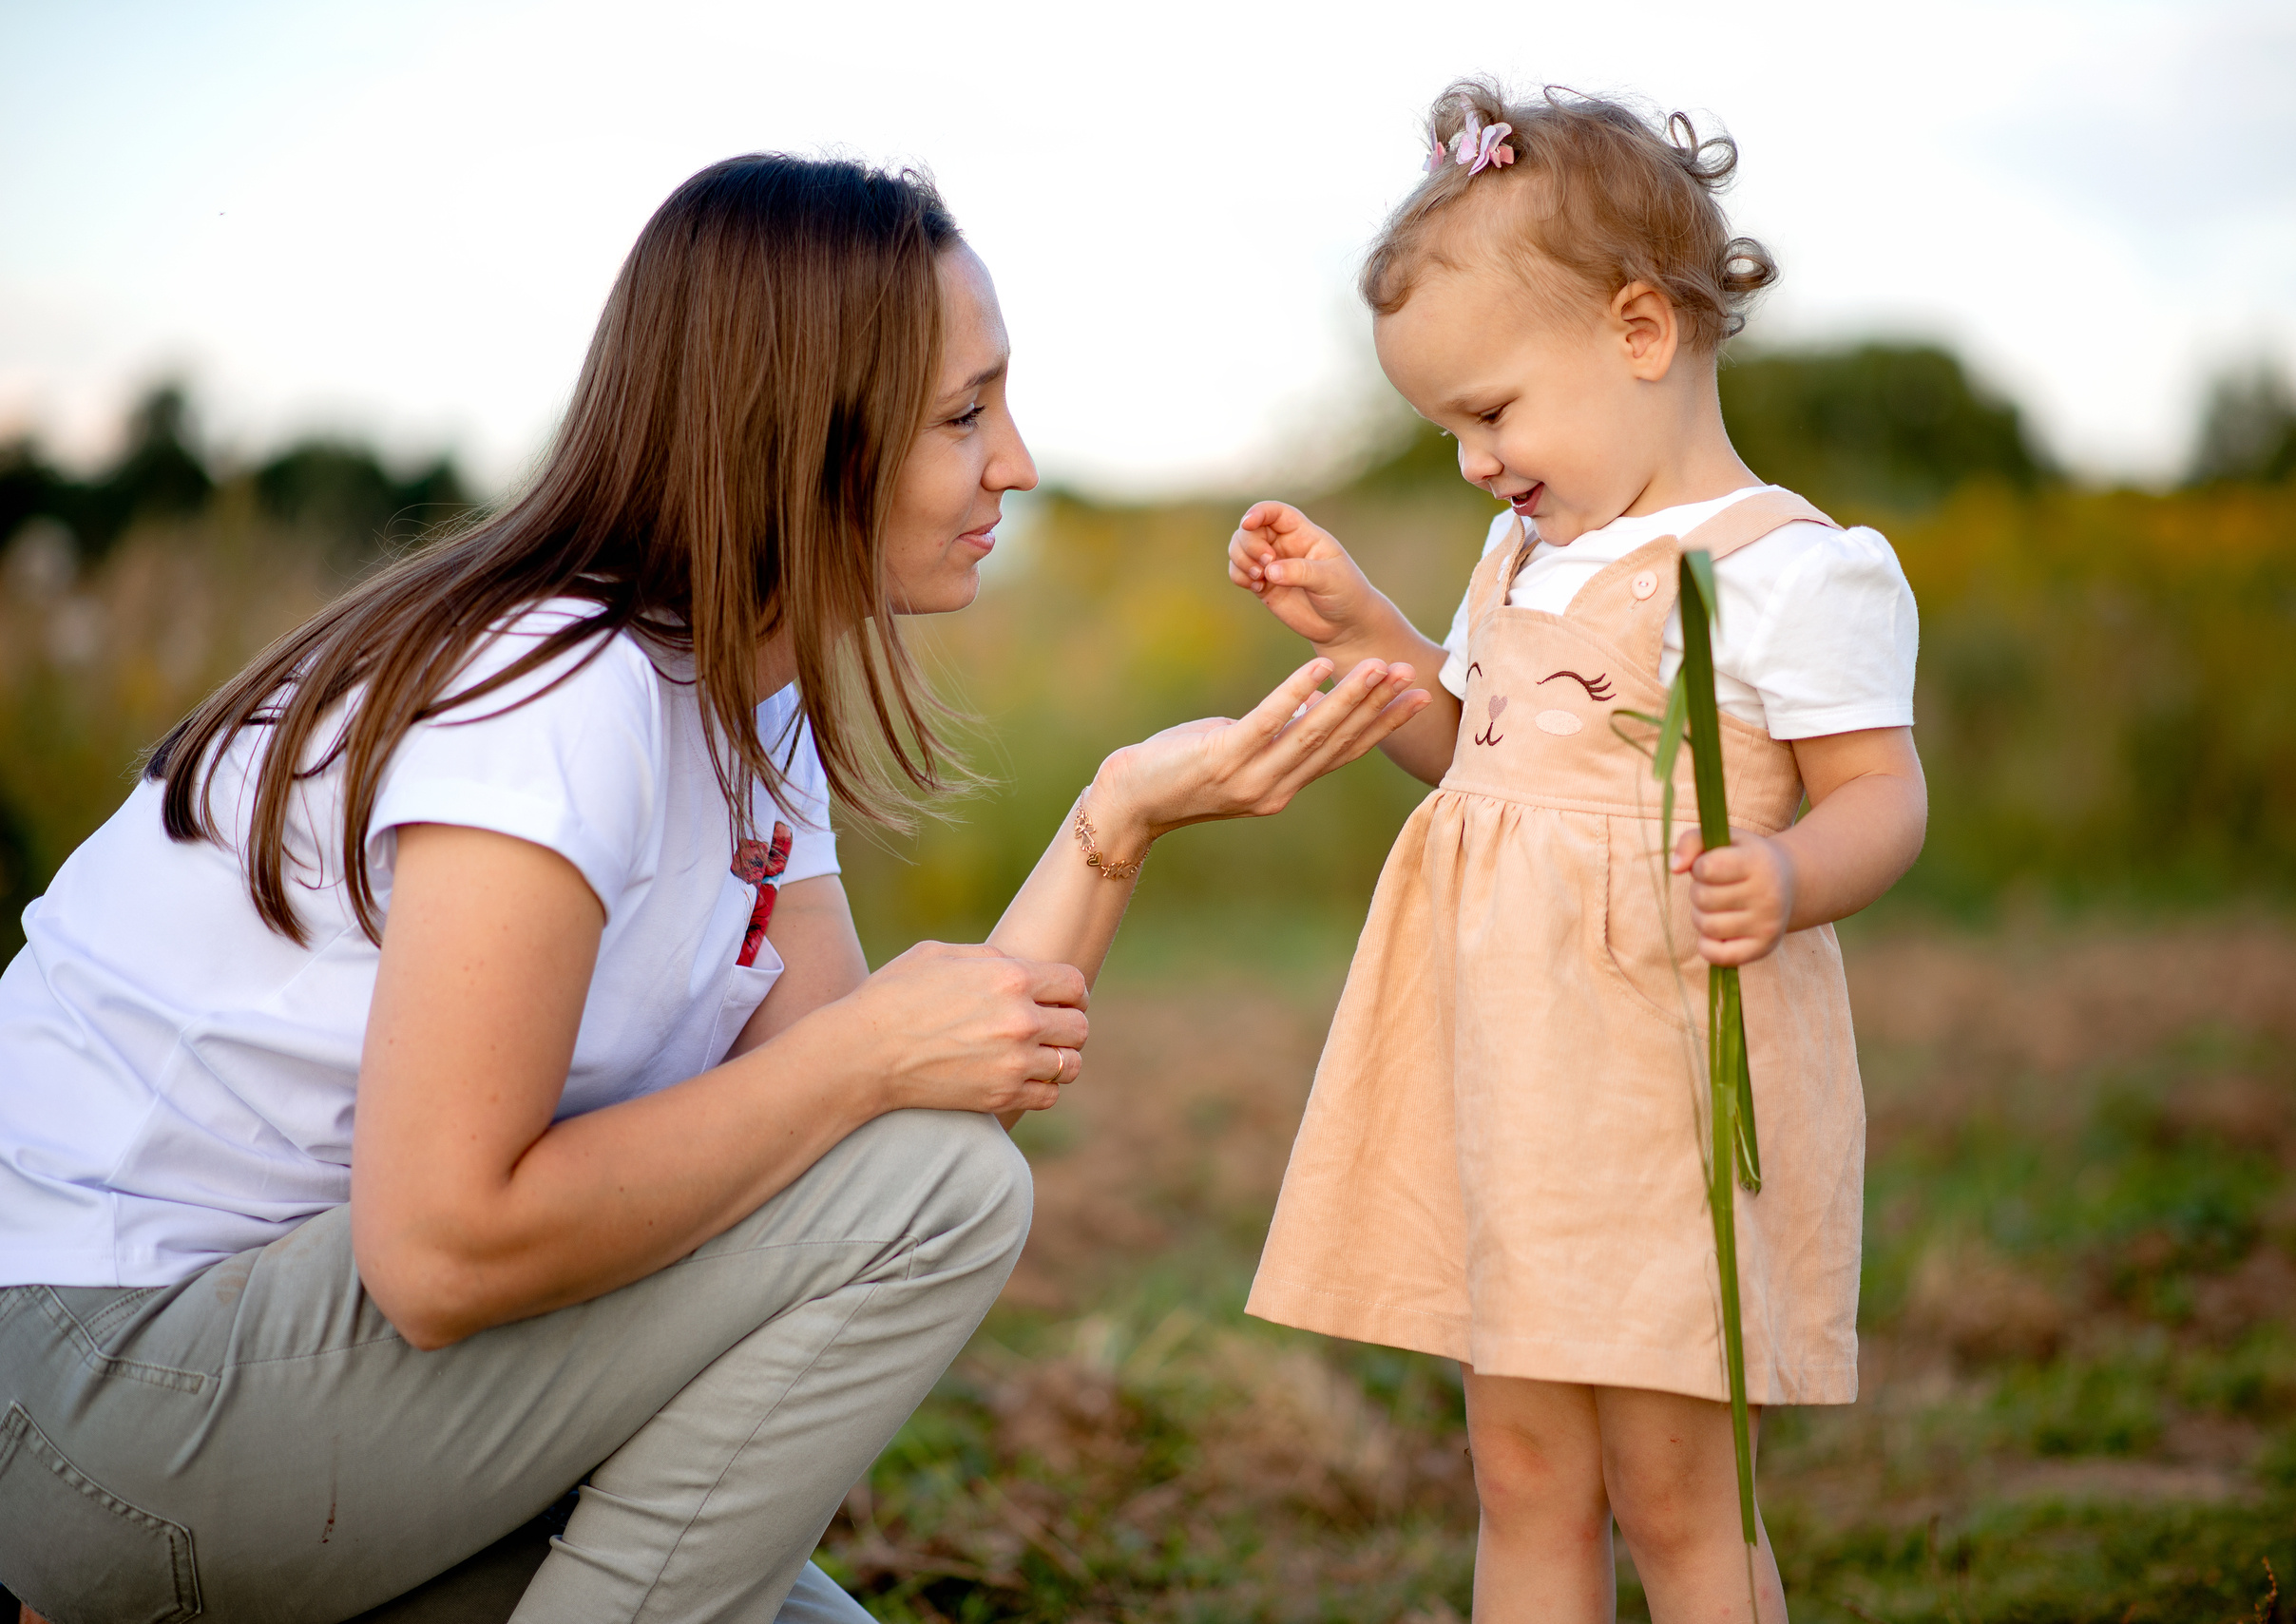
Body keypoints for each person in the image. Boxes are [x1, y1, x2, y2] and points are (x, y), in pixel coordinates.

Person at [0, 154, 1425, 1624]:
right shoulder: (557, 691)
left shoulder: (750, 699)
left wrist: (1112, 823)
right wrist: (867, 1059)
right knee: (942, 1189)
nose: (1017, 461)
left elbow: (873, 1143)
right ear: (800, 438)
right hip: (110, 1393)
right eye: (962, 414)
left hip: (321, 1392)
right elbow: (441, 1250)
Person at [1225, 84, 1927, 1623]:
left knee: (1680, 1493)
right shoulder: (1519, 556)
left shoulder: (1790, 574)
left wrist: (1796, 874)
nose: (1476, 462)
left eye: (1489, 413)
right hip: (1511, 1088)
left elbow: (1884, 793)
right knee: (1523, 1469)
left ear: (1639, 332)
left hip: (1662, 1087)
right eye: (1447, 429)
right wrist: (1365, 629)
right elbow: (1472, 749)